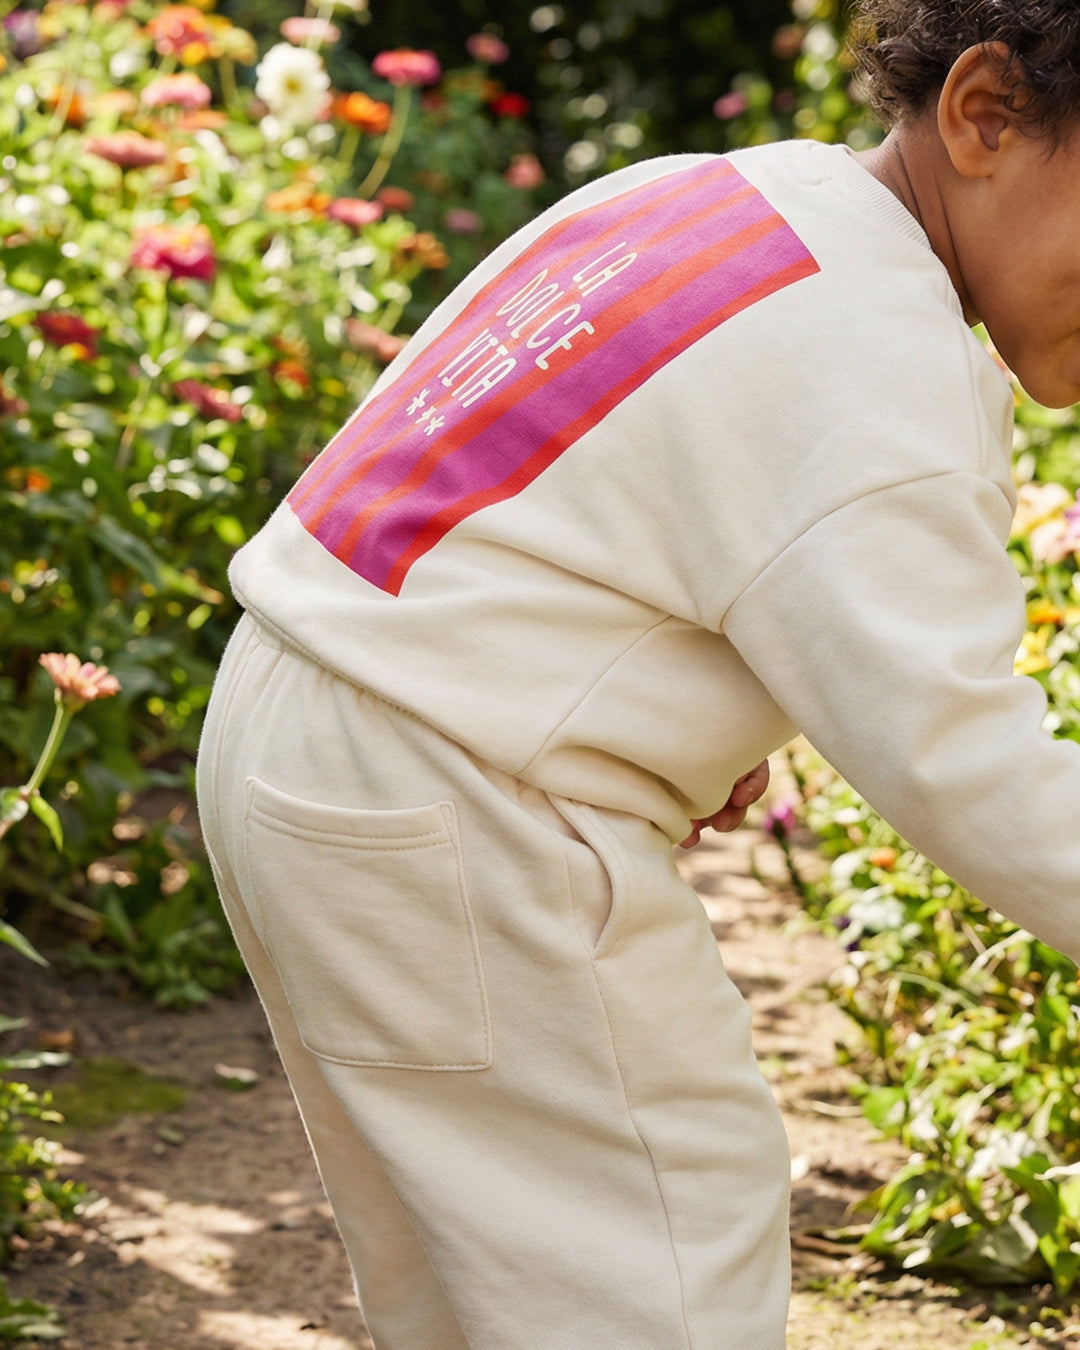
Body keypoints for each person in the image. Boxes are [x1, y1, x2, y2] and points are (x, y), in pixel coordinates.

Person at [195, 2, 1080, 1344]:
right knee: (660, 1259)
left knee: (489, 1276)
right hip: (464, 801)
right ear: (987, 114)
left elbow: (549, 513)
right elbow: (976, 767)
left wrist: (645, 709)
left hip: (306, 736)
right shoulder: (884, 365)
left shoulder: (719, 200)